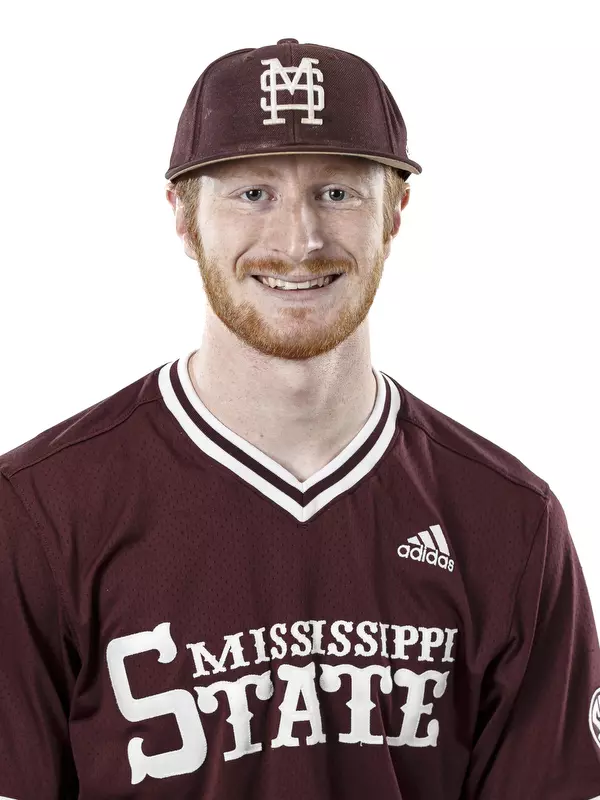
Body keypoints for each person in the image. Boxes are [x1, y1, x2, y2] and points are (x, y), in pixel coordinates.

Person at [1, 38, 599, 800]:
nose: (298, 241)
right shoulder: (38, 510)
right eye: (252, 194)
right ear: (184, 221)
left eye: (337, 193)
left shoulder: (511, 522)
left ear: (395, 214)